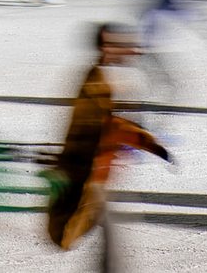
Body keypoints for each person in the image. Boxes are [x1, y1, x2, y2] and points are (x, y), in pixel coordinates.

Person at [47, 24, 169, 260]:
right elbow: (112, 125)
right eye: (124, 45)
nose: (133, 51)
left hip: (95, 172)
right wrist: (150, 143)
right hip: (90, 174)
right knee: (104, 233)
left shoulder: (101, 76)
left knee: (107, 234)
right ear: (106, 47)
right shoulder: (100, 80)